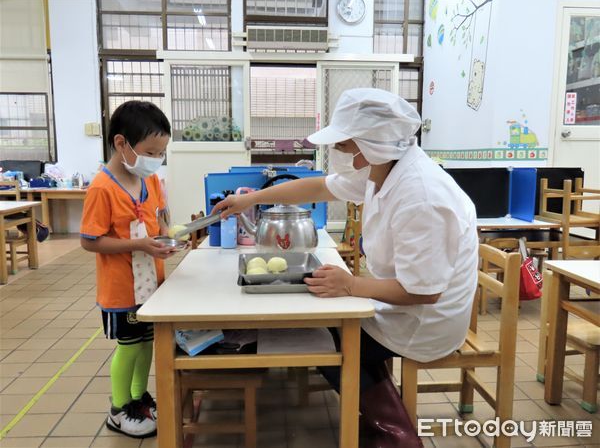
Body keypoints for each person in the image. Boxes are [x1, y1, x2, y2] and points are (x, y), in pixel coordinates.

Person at [213, 88, 479, 448]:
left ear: (370, 144)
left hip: (425, 320)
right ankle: (381, 418)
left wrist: (351, 285)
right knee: (326, 324)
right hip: (400, 299)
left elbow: (425, 291)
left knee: (322, 336)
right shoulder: (385, 168)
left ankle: (396, 434)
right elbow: (320, 187)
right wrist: (251, 198)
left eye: (343, 144)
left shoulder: (422, 196)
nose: (337, 152)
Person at [80, 101, 175, 439]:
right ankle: (119, 408)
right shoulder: (102, 188)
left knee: (148, 343)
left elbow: (157, 225)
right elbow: (90, 241)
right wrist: (140, 245)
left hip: (151, 284)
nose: (156, 159)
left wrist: (167, 239)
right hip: (122, 288)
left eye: (161, 152)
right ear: (121, 144)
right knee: (130, 345)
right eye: (151, 151)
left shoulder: (148, 181)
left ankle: (138, 398)